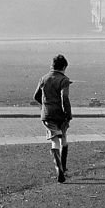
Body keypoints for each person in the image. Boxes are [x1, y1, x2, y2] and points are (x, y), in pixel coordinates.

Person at [33, 54, 73, 183]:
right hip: (60, 115)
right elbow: (64, 98)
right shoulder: (64, 80)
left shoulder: (44, 78)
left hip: (47, 115)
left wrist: (46, 105)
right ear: (64, 67)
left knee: (54, 140)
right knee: (63, 139)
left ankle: (58, 169)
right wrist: (68, 114)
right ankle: (63, 168)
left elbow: (36, 96)